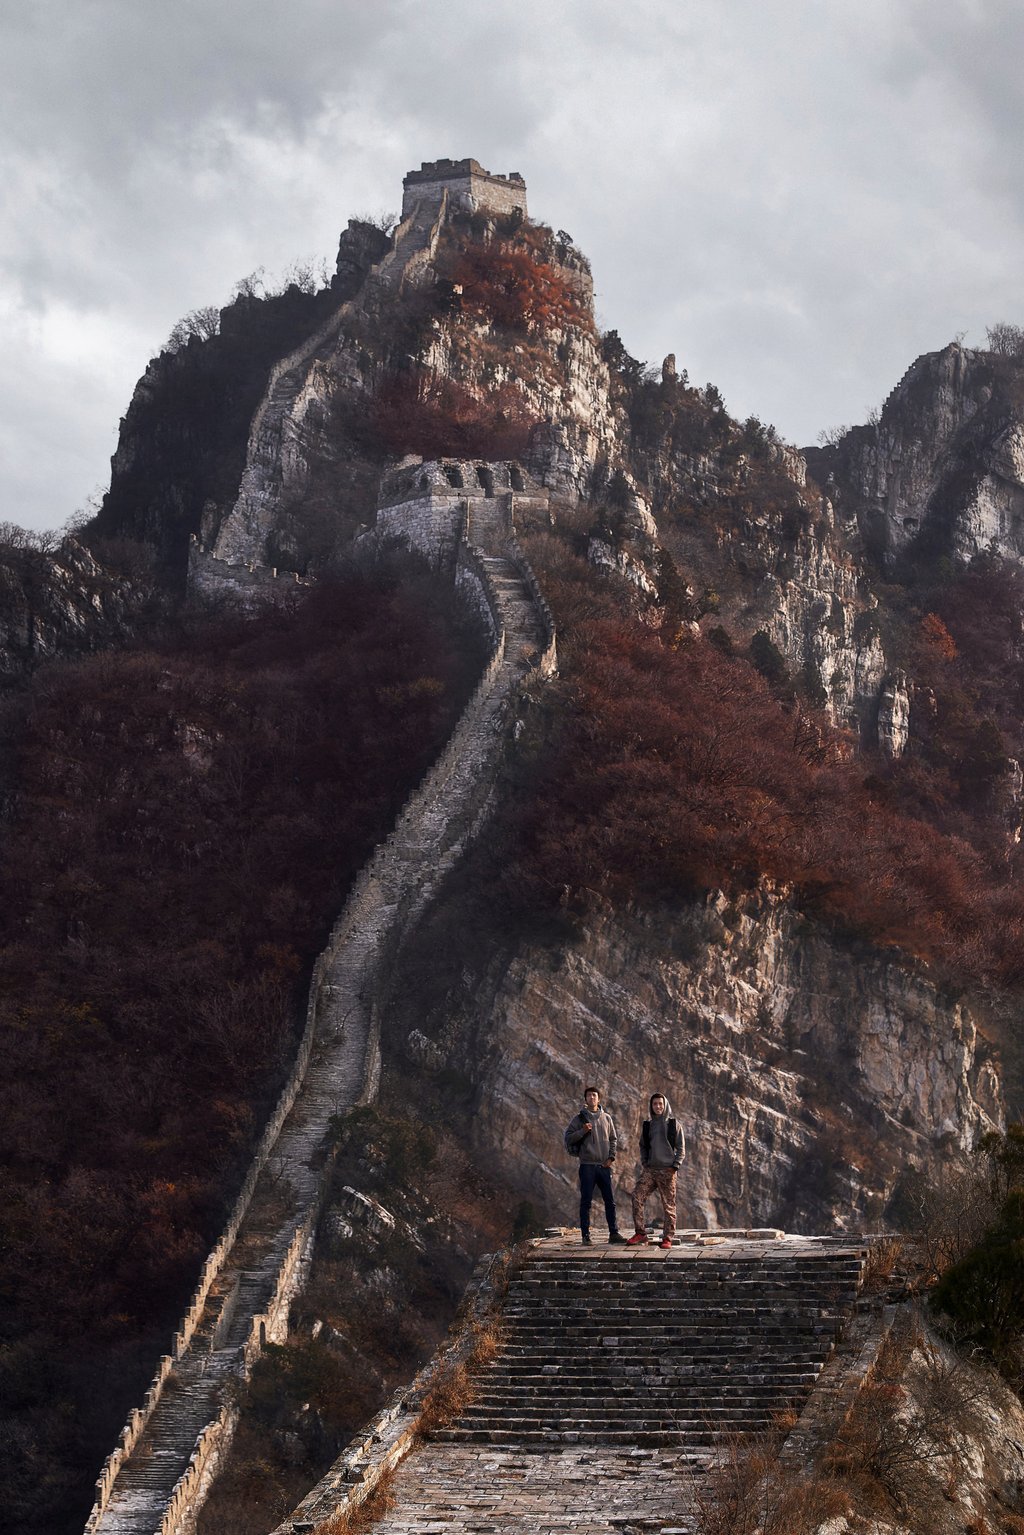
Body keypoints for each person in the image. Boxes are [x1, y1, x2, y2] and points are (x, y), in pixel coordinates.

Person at [563, 1087, 627, 1245]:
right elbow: (568, 1138)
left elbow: (613, 1139)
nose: (592, 1097)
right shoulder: (579, 1119)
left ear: (599, 1099)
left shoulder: (607, 1118)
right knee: (586, 1201)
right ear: (585, 1099)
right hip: (587, 1166)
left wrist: (611, 1157)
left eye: (594, 1095)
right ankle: (585, 1236)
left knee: (610, 1201)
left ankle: (614, 1233)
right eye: (589, 1095)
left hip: (604, 1166)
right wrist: (582, 1131)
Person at [627, 1093, 685, 1250]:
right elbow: (643, 1145)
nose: (658, 1106)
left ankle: (667, 1238)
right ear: (651, 1106)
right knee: (637, 1196)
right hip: (651, 1170)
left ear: (665, 1105)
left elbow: (681, 1148)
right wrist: (645, 1162)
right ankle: (640, 1233)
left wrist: (675, 1166)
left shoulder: (673, 1124)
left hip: (668, 1170)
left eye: (660, 1103)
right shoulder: (648, 1125)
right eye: (655, 1104)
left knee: (668, 1206)